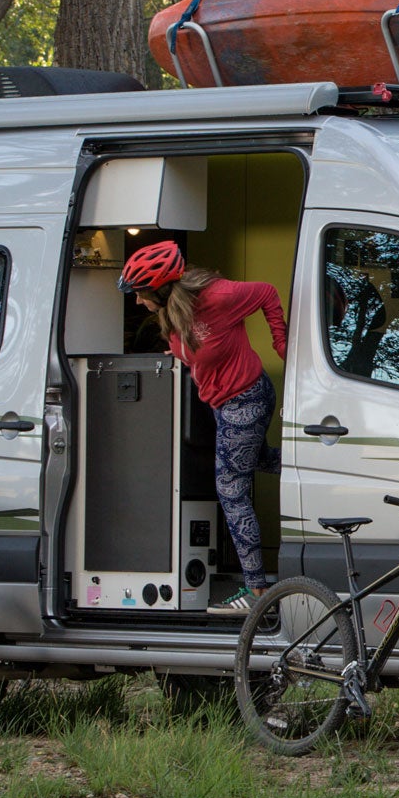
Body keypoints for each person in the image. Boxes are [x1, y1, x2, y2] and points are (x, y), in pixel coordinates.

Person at [119, 240, 287, 614]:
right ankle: (311, 462)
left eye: (140, 293)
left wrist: (281, 341)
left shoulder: (219, 296)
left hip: (245, 399)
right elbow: (197, 344)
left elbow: (267, 293)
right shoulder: (174, 313)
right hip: (226, 404)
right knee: (260, 460)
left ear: (161, 289)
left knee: (230, 489)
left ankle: (258, 594)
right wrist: (179, 355)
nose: (136, 301)